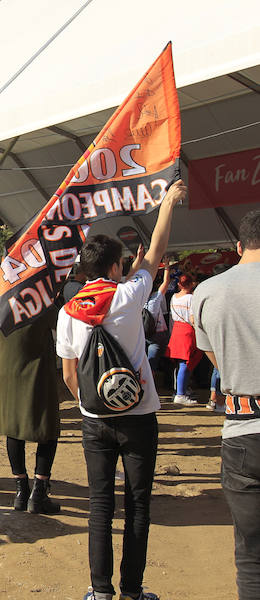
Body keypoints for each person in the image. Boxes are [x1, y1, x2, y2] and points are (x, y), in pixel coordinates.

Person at [56, 180, 184, 600]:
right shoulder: (128, 296)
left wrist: (90, 404)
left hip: (94, 421)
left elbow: (70, 373)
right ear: (114, 268)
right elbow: (156, 252)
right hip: (139, 415)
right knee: (138, 505)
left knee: (99, 506)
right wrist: (166, 204)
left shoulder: (68, 313)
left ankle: (100, 592)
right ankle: (132, 591)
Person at [192, 209, 260, 600]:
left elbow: (215, 358)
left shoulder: (209, 291)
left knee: (251, 554)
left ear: (238, 246)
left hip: (242, 431)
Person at [0, 300, 62, 514]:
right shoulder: (41, 301)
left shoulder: (0, 303)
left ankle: (21, 491)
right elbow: (58, 322)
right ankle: (39, 492)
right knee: (48, 430)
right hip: (38, 372)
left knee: (13, 431)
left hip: (8, 370)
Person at [166, 274, 202, 405]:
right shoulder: (191, 298)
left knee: (180, 363)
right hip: (187, 331)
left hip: (177, 329)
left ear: (179, 285)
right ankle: (180, 393)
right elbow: (192, 318)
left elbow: (171, 317)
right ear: (192, 283)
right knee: (185, 363)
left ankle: (180, 390)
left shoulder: (174, 297)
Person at [145, 264, 172, 386]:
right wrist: (167, 267)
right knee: (159, 361)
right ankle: (155, 386)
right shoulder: (155, 300)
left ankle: (146, 386)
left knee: (147, 363)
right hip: (158, 335)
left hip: (143, 335)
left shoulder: (137, 300)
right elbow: (166, 282)